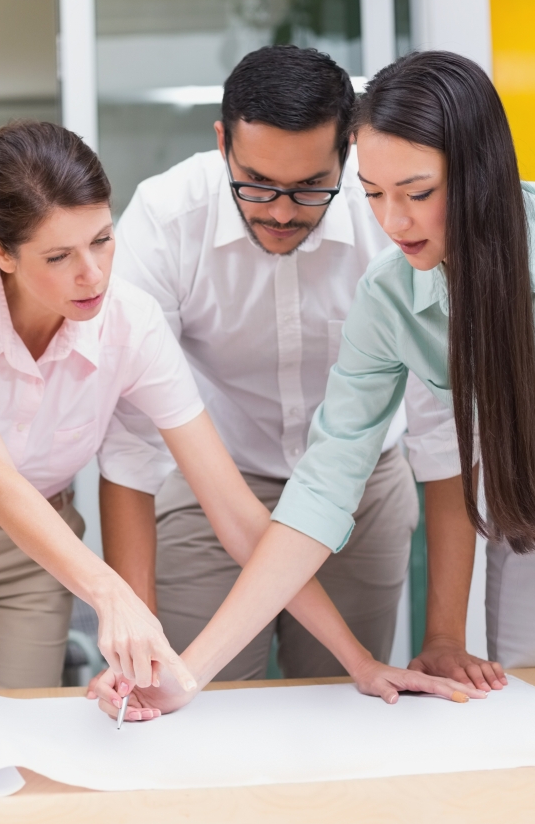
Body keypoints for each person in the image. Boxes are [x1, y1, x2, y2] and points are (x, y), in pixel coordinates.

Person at [90, 50, 535, 721]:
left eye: (417, 194)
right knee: (534, 693)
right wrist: (187, 674)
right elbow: (324, 486)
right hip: (527, 470)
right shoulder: (390, 292)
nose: (392, 222)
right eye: (372, 194)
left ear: (479, 172)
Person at [0, 121, 471, 705]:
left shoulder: (132, 322)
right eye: (58, 257)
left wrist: (359, 662)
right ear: (1, 252)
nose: (92, 275)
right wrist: (114, 595)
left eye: (102, 241)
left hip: (27, 556)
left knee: (13, 728)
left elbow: (238, 515)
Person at [98, 45, 420, 680]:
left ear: (348, 150)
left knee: (341, 700)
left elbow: (442, 415)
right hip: (214, 482)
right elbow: (131, 438)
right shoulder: (166, 219)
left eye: (309, 187)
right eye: (257, 183)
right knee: (203, 700)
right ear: (223, 143)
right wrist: (137, 627)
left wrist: (443, 633)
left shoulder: (389, 220)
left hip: (363, 487)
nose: (279, 211)